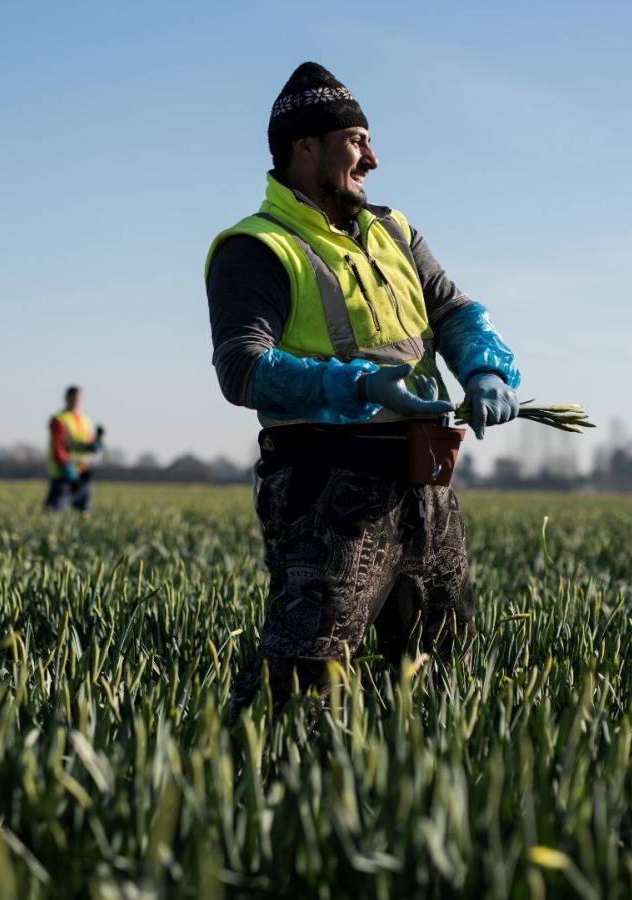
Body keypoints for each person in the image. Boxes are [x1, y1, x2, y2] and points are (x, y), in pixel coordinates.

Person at [205, 63, 524, 713]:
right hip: (329, 489)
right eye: (356, 140)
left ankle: (414, 797)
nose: (372, 158)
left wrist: (486, 369)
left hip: (428, 480)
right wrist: (362, 387)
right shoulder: (257, 247)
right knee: (299, 681)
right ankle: (241, 799)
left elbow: (456, 313)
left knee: (443, 665)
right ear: (306, 149)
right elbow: (243, 368)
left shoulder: (395, 231)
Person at [45, 386, 104, 513]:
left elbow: (87, 443)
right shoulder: (59, 419)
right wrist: (65, 466)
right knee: (53, 513)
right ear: (66, 398)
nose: (75, 401)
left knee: (84, 514)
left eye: (78, 398)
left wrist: (96, 444)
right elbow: (58, 446)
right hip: (63, 474)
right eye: (73, 398)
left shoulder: (85, 420)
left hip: (82, 473)